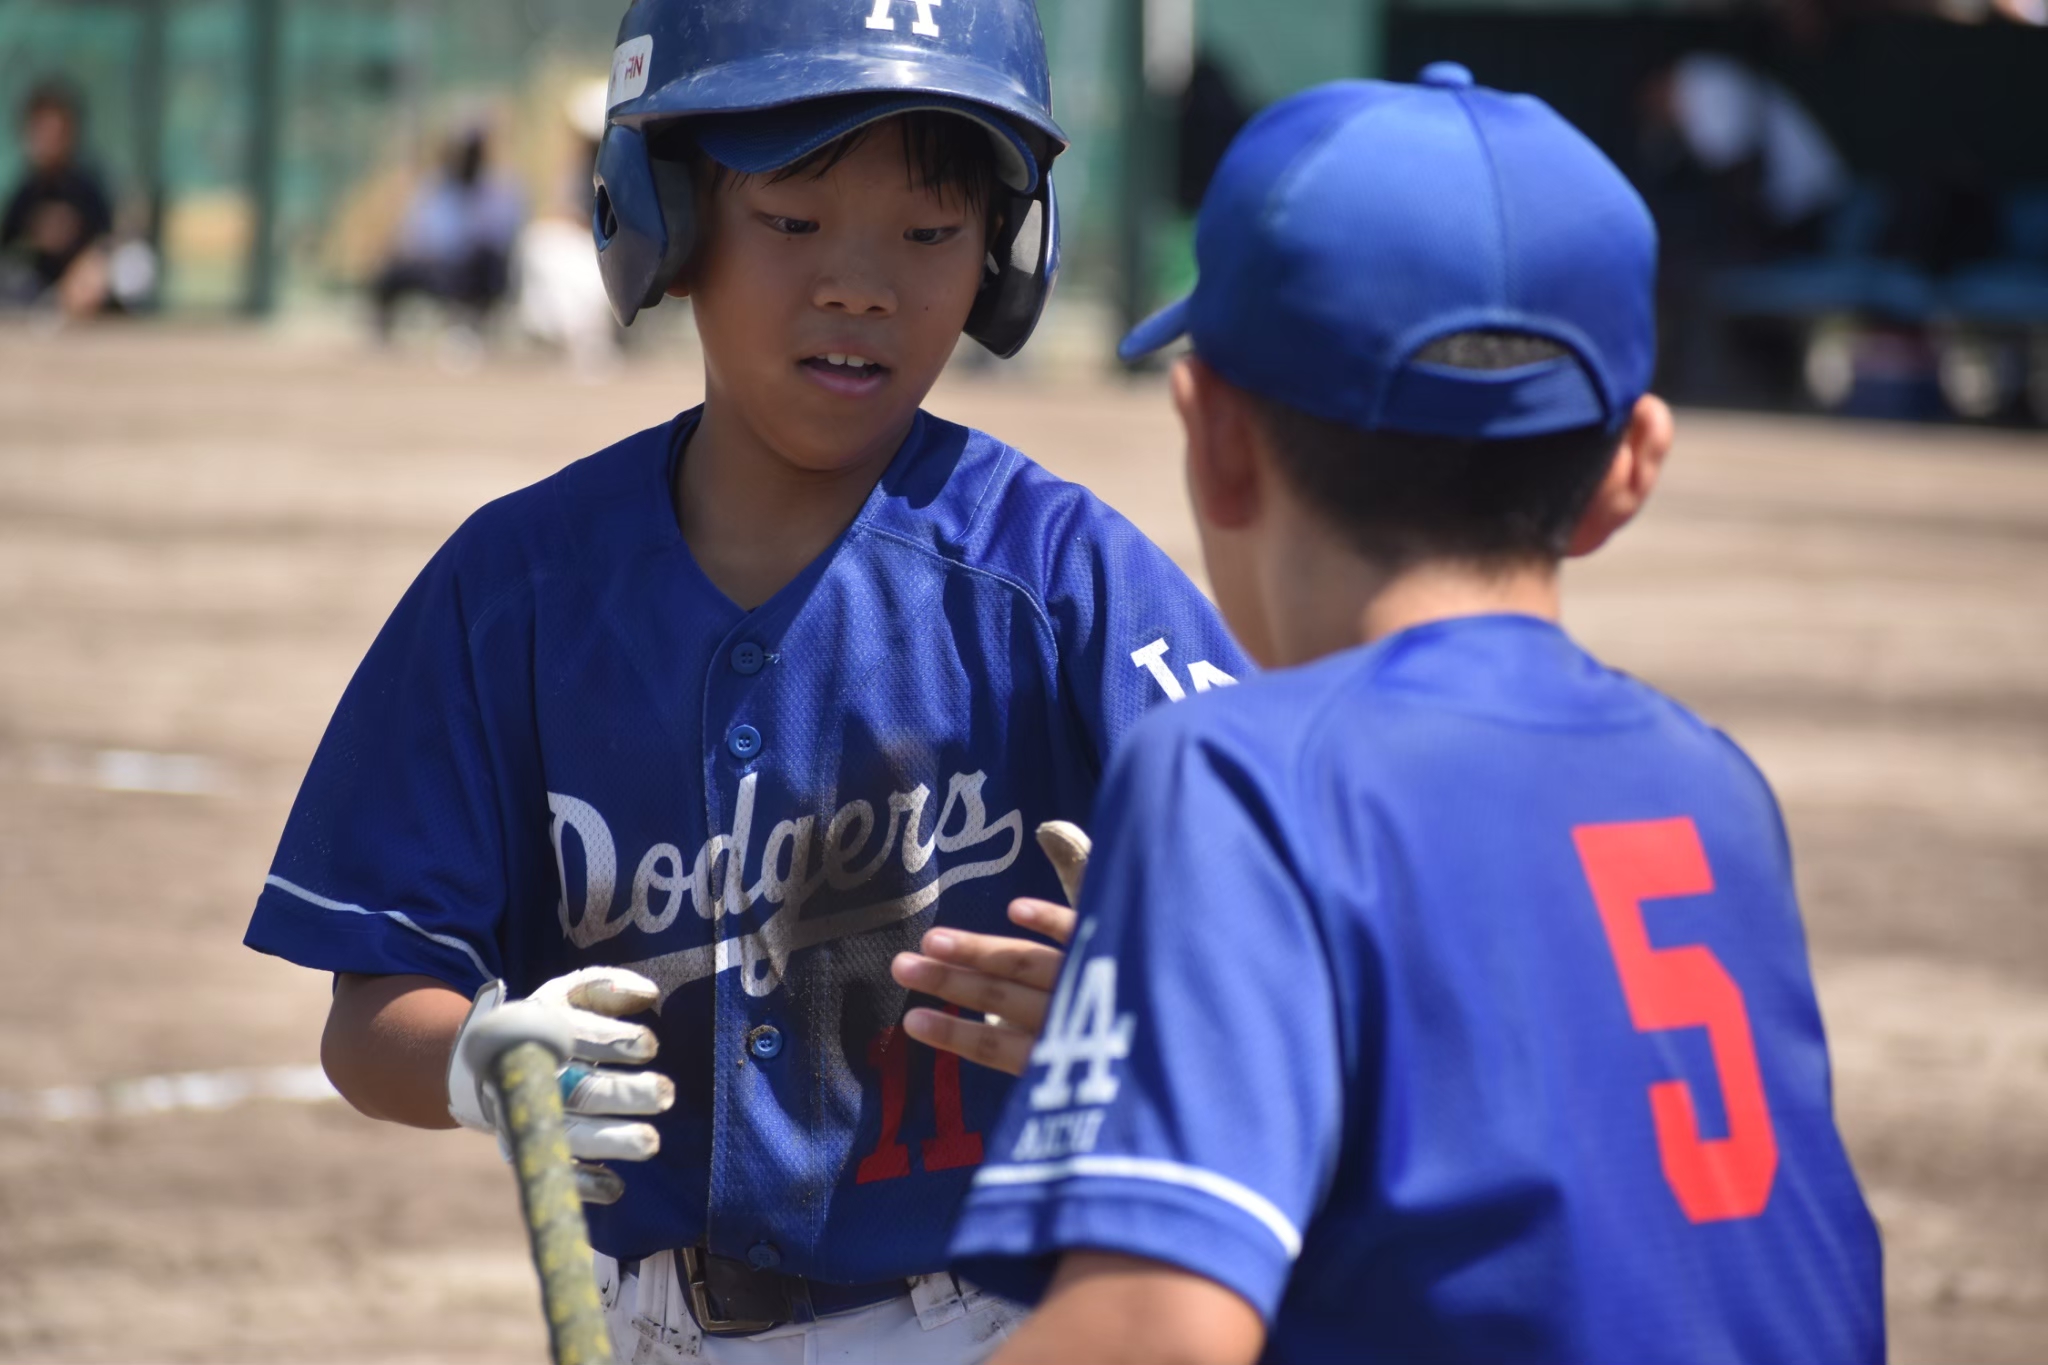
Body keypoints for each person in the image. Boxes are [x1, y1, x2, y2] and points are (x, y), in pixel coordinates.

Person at [241, 1, 1250, 1362]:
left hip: (995, 1319)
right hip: (649, 1325)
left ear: (1003, 251)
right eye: (792, 218)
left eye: (929, 232)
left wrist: (1137, 1013)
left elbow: (1302, 944)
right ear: (664, 214)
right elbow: (371, 1015)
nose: (861, 285)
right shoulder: (517, 585)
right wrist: (487, 1064)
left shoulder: (1061, 574)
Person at [901, 66, 1885, 1364]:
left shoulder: (1245, 775)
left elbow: (1152, 1335)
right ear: (1628, 470)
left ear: (1216, 443)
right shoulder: (1712, 783)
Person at [370, 125, 525, 341]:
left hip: (475, 269)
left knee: (486, 260)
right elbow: (418, 231)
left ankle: (476, 322)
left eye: (472, 151)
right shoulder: (436, 187)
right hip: (439, 266)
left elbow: (501, 235)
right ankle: (382, 332)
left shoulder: (499, 188)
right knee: (391, 266)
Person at [1, 80, 114, 316]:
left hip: (84, 288)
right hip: (36, 294)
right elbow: (9, 246)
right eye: (41, 130)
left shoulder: (87, 186)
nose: (48, 140)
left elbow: (109, 239)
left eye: (56, 131)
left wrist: (87, 264)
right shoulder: (27, 191)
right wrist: (35, 238)